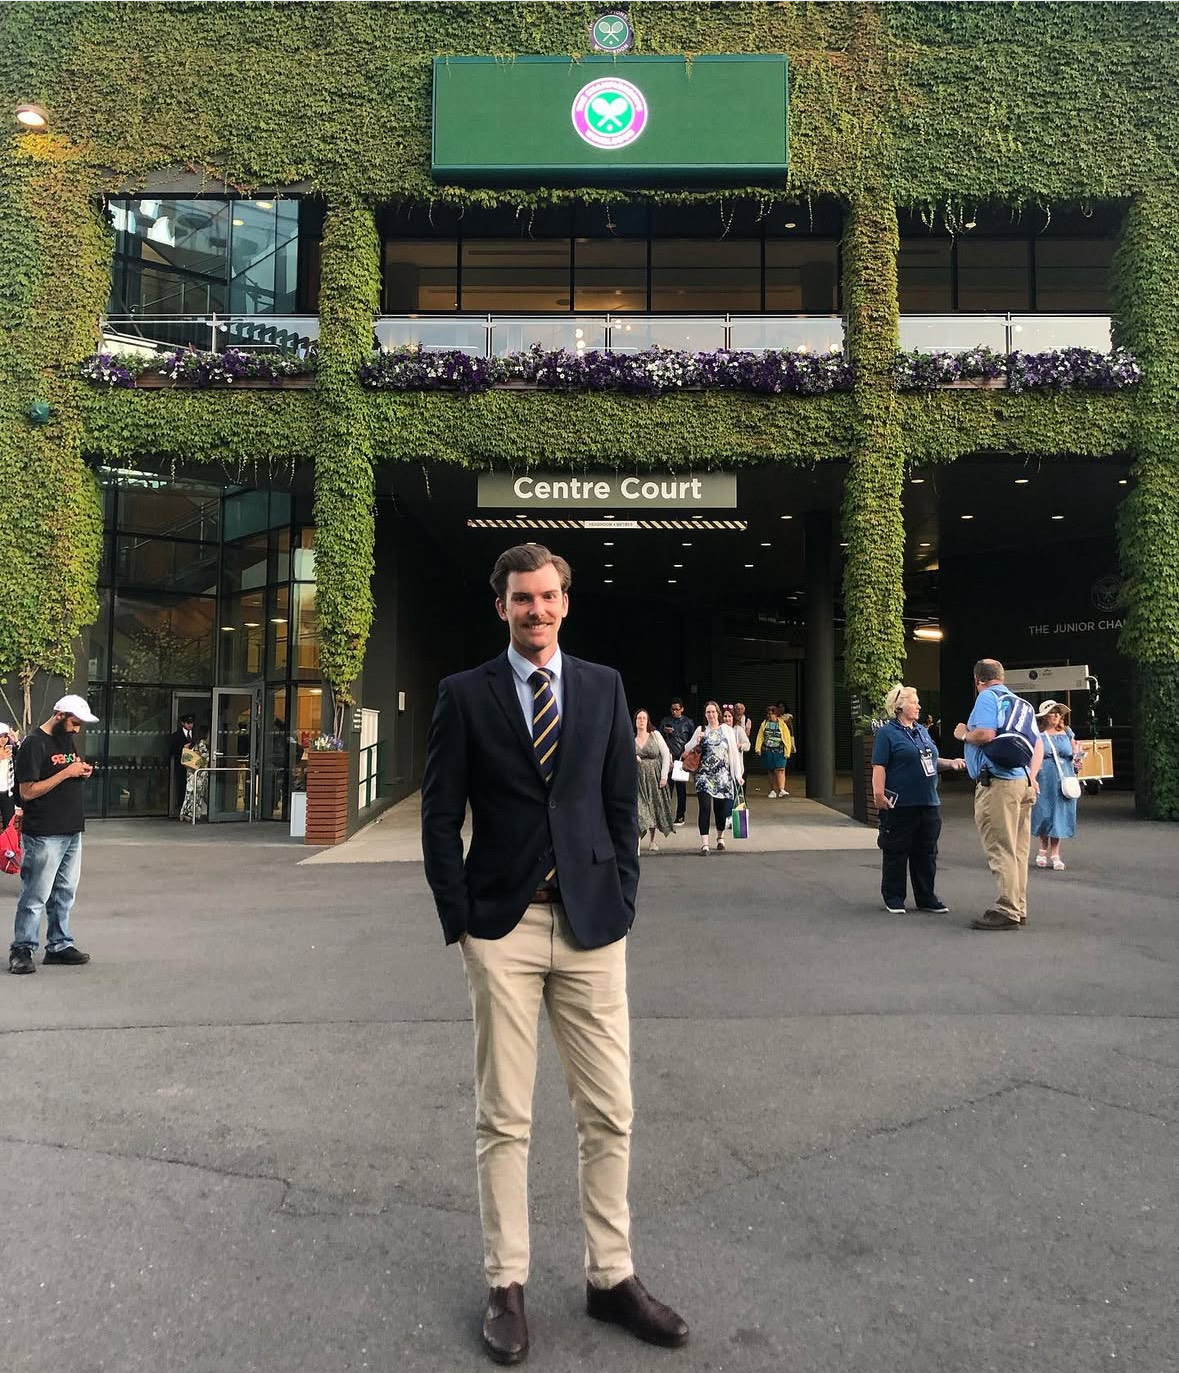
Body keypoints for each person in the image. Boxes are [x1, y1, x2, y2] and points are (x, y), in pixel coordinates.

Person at [421, 544, 688, 1365]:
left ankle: (610, 1276)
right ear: (500, 605)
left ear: (565, 602)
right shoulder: (464, 694)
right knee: (504, 1114)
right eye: (520, 598)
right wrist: (461, 920)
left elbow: (619, 804)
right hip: (500, 928)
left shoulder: (603, 687)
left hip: (590, 926)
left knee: (609, 1109)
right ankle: (506, 1281)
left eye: (546, 596)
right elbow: (438, 815)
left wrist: (622, 898)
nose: (534, 610)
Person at [8, 694, 97, 975]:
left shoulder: (64, 738)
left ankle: (59, 944)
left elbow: (64, 768)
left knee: (64, 892)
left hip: (71, 828)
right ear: (60, 715)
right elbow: (27, 791)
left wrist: (80, 772)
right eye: (74, 723)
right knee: (36, 893)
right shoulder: (34, 743)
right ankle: (22, 949)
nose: (77, 729)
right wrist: (67, 772)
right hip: (44, 831)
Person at [953, 659, 1043, 932]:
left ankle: (1006, 909)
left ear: (977, 679)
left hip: (997, 784)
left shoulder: (987, 698)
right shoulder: (1022, 704)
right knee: (1018, 850)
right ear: (1002, 677)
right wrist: (1032, 776)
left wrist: (963, 734)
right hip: (1022, 783)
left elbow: (985, 734)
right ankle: (1019, 906)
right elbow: (1038, 744)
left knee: (1000, 847)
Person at [871, 684, 966, 915]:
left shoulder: (922, 731)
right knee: (896, 851)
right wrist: (878, 794)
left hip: (928, 802)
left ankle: (926, 897)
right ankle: (894, 897)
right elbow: (879, 766)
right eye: (914, 702)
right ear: (899, 706)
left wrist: (950, 763)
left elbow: (928, 759)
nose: (919, 706)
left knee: (926, 852)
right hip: (901, 803)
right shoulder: (887, 733)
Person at [683, 700, 743, 855]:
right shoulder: (701, 730)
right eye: (708, 712)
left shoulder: (726, 730)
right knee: (705, 807)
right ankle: (705, 843)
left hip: (722, 775)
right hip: (704, 775)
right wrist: (697, 741)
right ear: (705, 714)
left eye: (713, 712)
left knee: (720, 809)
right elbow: (687, 748)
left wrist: (738, 774)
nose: (711, 715)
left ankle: (720, 837)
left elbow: (733, 753)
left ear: (718, 713)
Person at [1031, 700, 1083, 870]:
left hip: (1065, 776)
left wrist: (1078, 761)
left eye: (1057, 713)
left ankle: (1055, 853)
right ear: (1044, 717)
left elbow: (1075, 753)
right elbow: (1033, 756)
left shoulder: (1067, 732)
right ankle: (1042, 848)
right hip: (1045, 776)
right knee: (1044, 811)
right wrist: (1032, 777)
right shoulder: (1038, 734)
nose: (1055, 715)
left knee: (1059, 814)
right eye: (1052, 713)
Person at [634, 708, 674, 853]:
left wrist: (664, 776)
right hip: (638, 779)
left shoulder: (655, 735)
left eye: (644, 718)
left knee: (653, 807)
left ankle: (652, 840)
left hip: (654, 776)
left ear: (648, 721)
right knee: (640, 809)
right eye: (639, 718)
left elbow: (665, 754)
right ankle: (637, 841)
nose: (641, 721)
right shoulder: (631, 738)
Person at [658, 698, 695, 827]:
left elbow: (693, 740)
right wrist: (665, 731)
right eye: (673, 709)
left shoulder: (688, 723)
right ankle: (665, 816)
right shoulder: (665, 721)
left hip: (681, 759)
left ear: (682, 709)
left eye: (677, 709)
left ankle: (680, 815)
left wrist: (687, 754)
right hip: (668, 758)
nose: (674, 712)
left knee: (681, 789)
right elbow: (659, 738)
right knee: (666, 788)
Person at [754, 704, 790, 798]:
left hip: (779, 750)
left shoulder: (782, 724)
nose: (770, 716)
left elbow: (787, 738)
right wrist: (758, 748)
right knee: (771, 770)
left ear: (776, 714)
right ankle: (773, 790)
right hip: (768, 750)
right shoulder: (764, 724)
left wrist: (787, 751)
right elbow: (760, 736)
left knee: (781, 769)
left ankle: (781, 789)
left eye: (772, 714)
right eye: (768, 714)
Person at [179, 727, 210, 823]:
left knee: (189, 793)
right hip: (199, 773)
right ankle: (192, 814)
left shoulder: (192, 744)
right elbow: (205, 758)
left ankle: (184, 813)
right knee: (197, 794)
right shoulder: (202, 744)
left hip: (190, 772)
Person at [167, 713, 195, 817]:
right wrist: (183, 748)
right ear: (183, 723)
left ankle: (192, 810)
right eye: (188, 723)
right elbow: (171, 750)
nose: (190, 725)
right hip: (181, 766)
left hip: (194, 766)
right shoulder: (176, 735)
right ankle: (181, 808)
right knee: (182, 787)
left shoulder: (196, 734)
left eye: (191, 723)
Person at [0, 723, 20, 830]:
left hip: (7, 792)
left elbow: (23, 754)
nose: (3, 739)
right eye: (0, 736)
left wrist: (16, 740)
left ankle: (7, 841)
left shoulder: (10, 749)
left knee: (9, 824)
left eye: (5, 736)